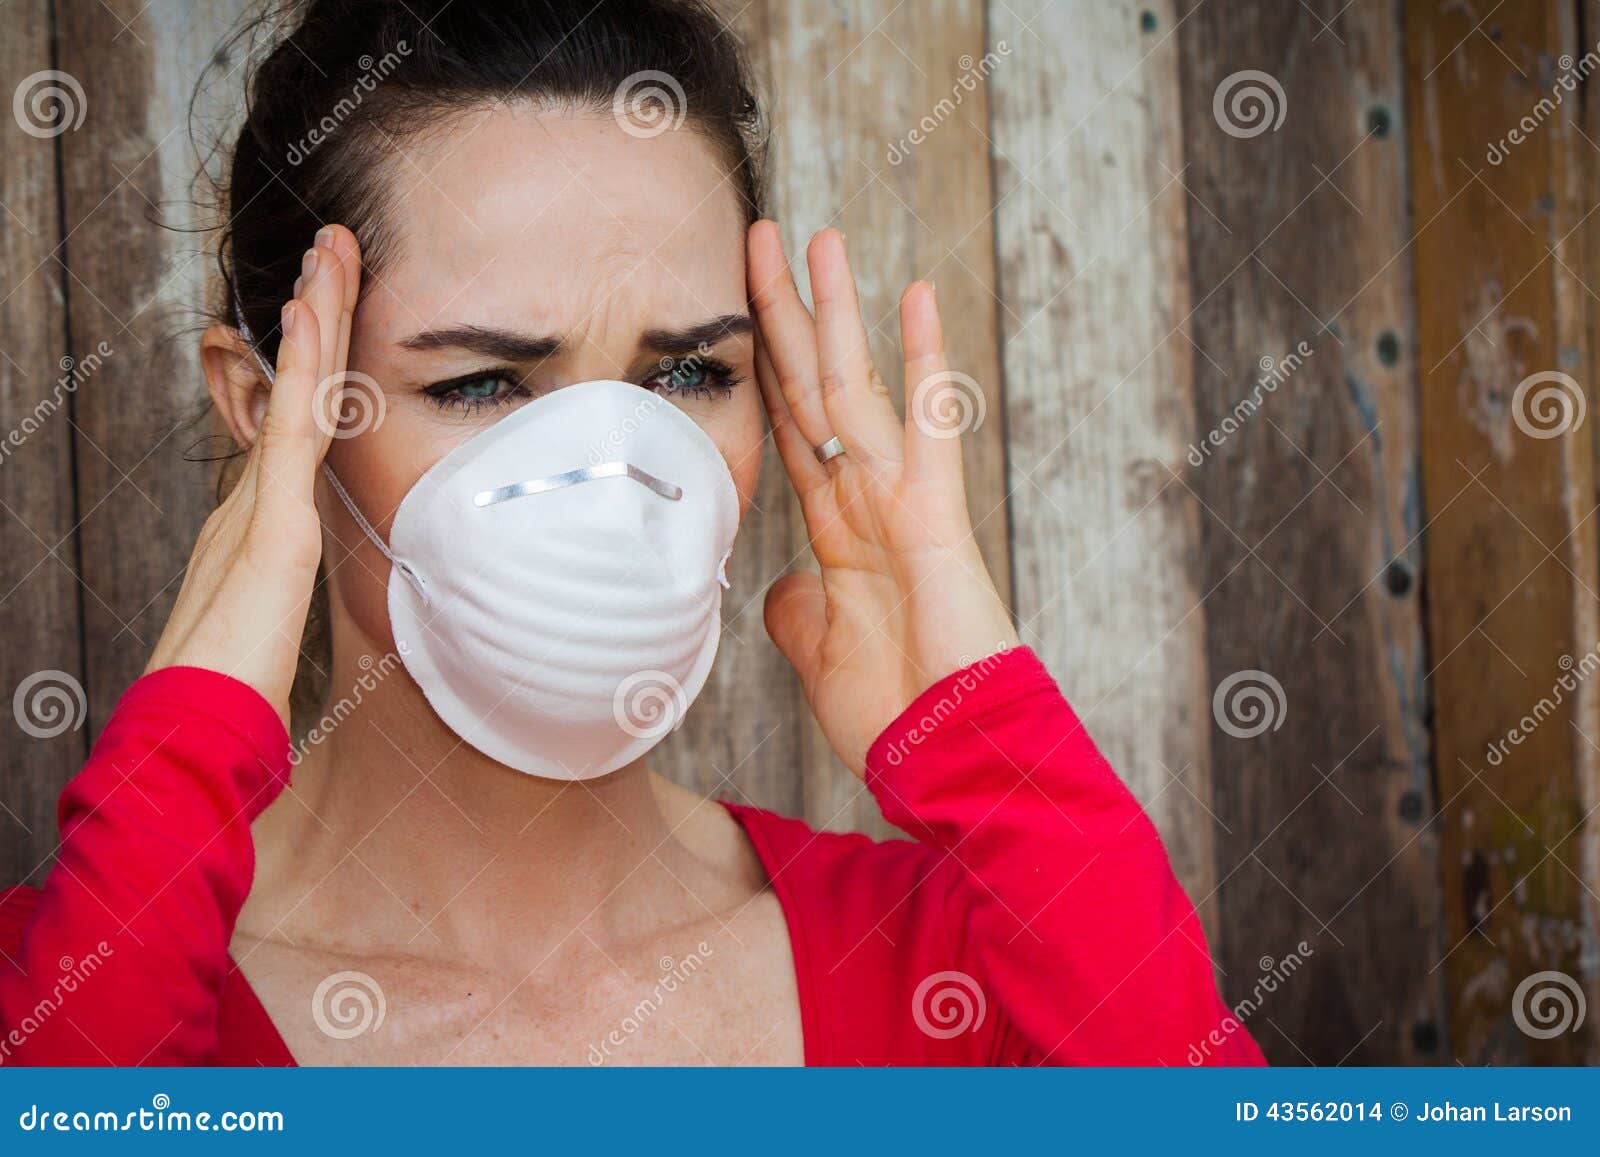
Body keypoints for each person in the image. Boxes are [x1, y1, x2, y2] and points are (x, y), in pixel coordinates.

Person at [0, 0, 1261, 1066]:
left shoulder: (955, 976)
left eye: (686, 376)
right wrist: (187, 748)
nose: (608, 478)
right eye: (481, 385)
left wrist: (991, 740)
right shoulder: (89, 982)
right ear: (272, 412)